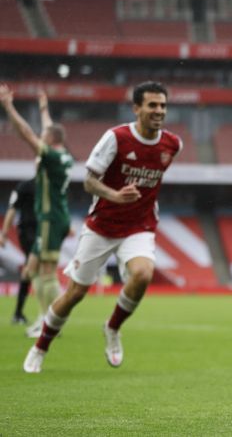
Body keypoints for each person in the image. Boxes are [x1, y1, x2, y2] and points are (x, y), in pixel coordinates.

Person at [23, 81, 182, 373]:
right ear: (136, 108)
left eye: (162, 105)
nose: (159, 110)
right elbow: (88, 180)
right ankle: (40, 346)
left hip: (139, 225)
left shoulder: (173, 144)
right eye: (152, 105)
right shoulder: (116, 138)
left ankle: (112, 327)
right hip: (102, 226)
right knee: (74, 294)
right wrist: (115, 195)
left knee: (143, 274)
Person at [0, 86, 73, 337]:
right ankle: (46, 319)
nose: (41, 138)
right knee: (36, 269)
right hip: (57, 218)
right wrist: (43, 108)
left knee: (45, 272)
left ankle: (50, 323)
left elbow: (26, 133)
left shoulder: (50, 157)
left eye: (45, 137)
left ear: (50, 140)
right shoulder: (63, 155)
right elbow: (48, 129)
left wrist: (8, 106)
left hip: (49, 220)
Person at [1, 178, 36, 324]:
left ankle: (18, 313)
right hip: (27, 231)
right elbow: (12, 208)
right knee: (35, 266)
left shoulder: (52, 185)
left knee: (31, 268)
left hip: (44, 232)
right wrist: (4, 233)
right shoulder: (25, 186)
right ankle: (44, 317)